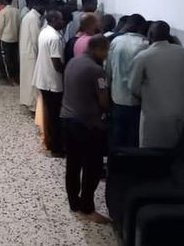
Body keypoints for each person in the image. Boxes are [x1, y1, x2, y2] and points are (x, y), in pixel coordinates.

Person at [61, 35, 111, 224]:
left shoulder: (73, 62)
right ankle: (87, 209)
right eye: (105, 51)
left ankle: (74, 203)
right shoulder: (97, 71)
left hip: (67, 119)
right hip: (87, 125)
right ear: (98, 49)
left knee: (73, 164)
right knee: (93, 167)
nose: (106, 55)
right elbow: (104, 101)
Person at [129, 21, 184, 148]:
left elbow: (133, 87)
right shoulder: (182, 53)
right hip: (181, 111)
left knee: (152, 150)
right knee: (176, 149)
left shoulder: (144, 56)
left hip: (154, 114)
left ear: (150, 34)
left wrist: (146, 95)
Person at [106, 13, 149, 149]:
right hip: (137, 99)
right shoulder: (145, 44)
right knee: (134, 136)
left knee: (117, 134)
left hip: (117, 95)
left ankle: (115, 160)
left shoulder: (116, 41)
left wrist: (108, 88)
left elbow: (108, 69)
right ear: (141, 27)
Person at [32, 11, 65, 156]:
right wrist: (68, 70)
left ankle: (49, 142)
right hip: (52, 81)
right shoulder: (54, 38)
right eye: (60, 20)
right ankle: (56, 148)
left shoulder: (44, 32)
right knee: (55, 116)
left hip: (43, 78)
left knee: (49, 113)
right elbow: (56, 63)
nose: (62, 22)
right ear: (53, 19)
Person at [19, 0, 48, 110]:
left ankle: (29, 102)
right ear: (40, 6)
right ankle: (33, 106)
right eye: (45, 8)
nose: (45, 10)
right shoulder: (33, 18)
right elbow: (36, 39)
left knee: (28, 79)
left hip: (27, 52)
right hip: (31, 53)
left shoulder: (31, 16)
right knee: (32, 81)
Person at [0, 0, 20, 85]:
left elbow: (0, 28)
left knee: (6, 60)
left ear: (4, 0)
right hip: (15, 39)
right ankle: (16, 78)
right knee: (15, 59)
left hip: (5, 39)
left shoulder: (3, 12)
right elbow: (19, 25)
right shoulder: (17, 11)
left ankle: (9, 79)